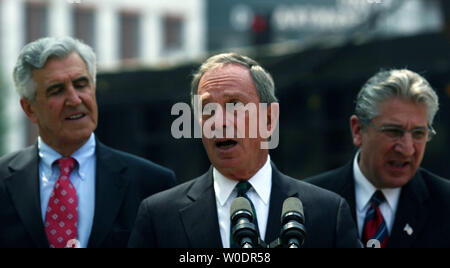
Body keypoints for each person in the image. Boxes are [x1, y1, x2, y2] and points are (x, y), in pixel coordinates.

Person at [128, 53, 361, 248]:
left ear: (269, 120)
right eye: (207, 109)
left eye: (235, 105)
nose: (218, 121)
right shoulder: (159, 216)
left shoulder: (328, 213)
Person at [0, 36, 176, 248]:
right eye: (56, 90)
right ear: (29, 108)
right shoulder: (3, 181)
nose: (74, 99)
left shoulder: (152, 184)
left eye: (81, 84)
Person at [305, 69, 450, 248]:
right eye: (393, 131)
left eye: (418, 133)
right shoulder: (306, 205)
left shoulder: (444, 204)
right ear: (358, 130)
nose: (407, 149)